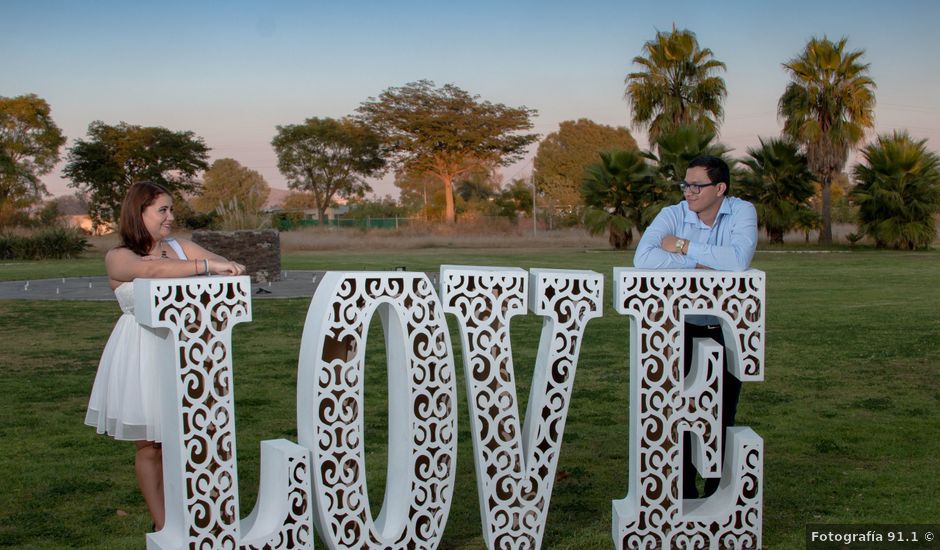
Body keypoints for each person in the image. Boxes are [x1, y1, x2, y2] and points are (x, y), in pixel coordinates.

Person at [84, 181, 246, 530]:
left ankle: (204, 513)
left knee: (197, 435)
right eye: (162, 210)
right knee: (151, 445)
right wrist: (207, 267)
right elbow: (152, 271)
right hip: (141, 354)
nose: (171, 217)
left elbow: (228, 267)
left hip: (188, 351)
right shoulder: (119, 255)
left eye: (171, 209)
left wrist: (224, 266)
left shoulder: (182, 246)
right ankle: (164, 524)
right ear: (138, 213)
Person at [633, 155, 757, 499]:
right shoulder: (672, 213)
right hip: (681, 328)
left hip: (729, 329)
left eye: (697, 185)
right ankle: (683, 495)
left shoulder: (742, 211)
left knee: (721, 416)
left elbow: (738, 260)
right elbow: (642, 260)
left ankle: (719, 499)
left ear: (720, 188)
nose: (689, 192)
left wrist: (682, 247)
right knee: (681, 417)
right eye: (686, 184)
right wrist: (701, 263)